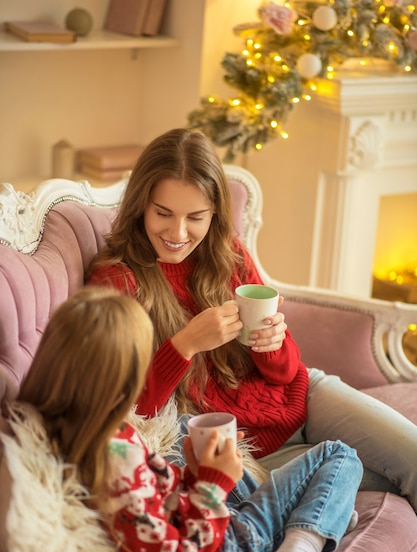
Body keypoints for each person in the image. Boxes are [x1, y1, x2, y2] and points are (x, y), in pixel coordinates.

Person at [87, 127, 417, 513]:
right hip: (244, 451)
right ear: (141, 205)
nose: (177, 233)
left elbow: (286, 371)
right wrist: (185, 345)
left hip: (303, 396)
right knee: (383, 484)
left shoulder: (229, 254)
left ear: (214, 213)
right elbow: (126, 411)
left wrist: (273, 342)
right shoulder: (116, 282)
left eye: (195, 217)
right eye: (163, 213)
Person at [8, 285, 363, 552]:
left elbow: (156, 505)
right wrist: (212, 483)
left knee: (218, 446)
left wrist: (194, 474)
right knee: (339, 456)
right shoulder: (115, 458)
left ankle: (315, 517)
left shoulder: (84, 431)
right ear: (123, 378)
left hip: (212, 533)